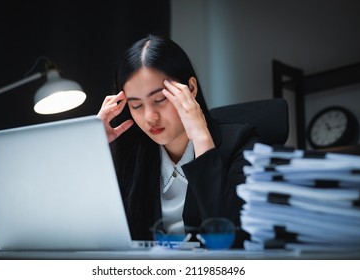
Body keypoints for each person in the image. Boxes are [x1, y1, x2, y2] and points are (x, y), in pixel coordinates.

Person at [98, 34, 258, 248]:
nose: (150, 117)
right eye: (136, 106)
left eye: (160, 100)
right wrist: (95, 149)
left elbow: (233, 238)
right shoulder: (133, 151)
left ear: (190, 88)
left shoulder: (240, 143)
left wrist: (201, 139)